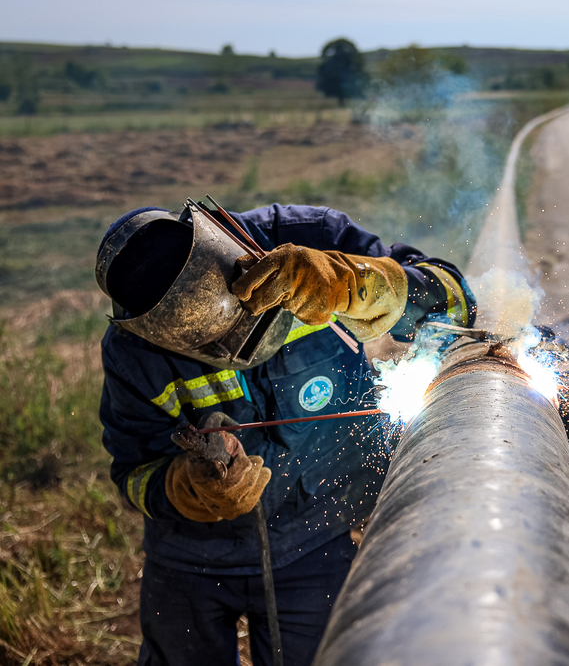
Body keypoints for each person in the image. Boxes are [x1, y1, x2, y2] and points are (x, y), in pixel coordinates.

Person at [95, 202, 475, 666]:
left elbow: (457, 303)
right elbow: (133, 472)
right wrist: (189, 488)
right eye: (205, 345)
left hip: (316, 540)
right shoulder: (133, 352)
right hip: (189, 561)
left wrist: (358, 283)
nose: (232, 350)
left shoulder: (311, 237)